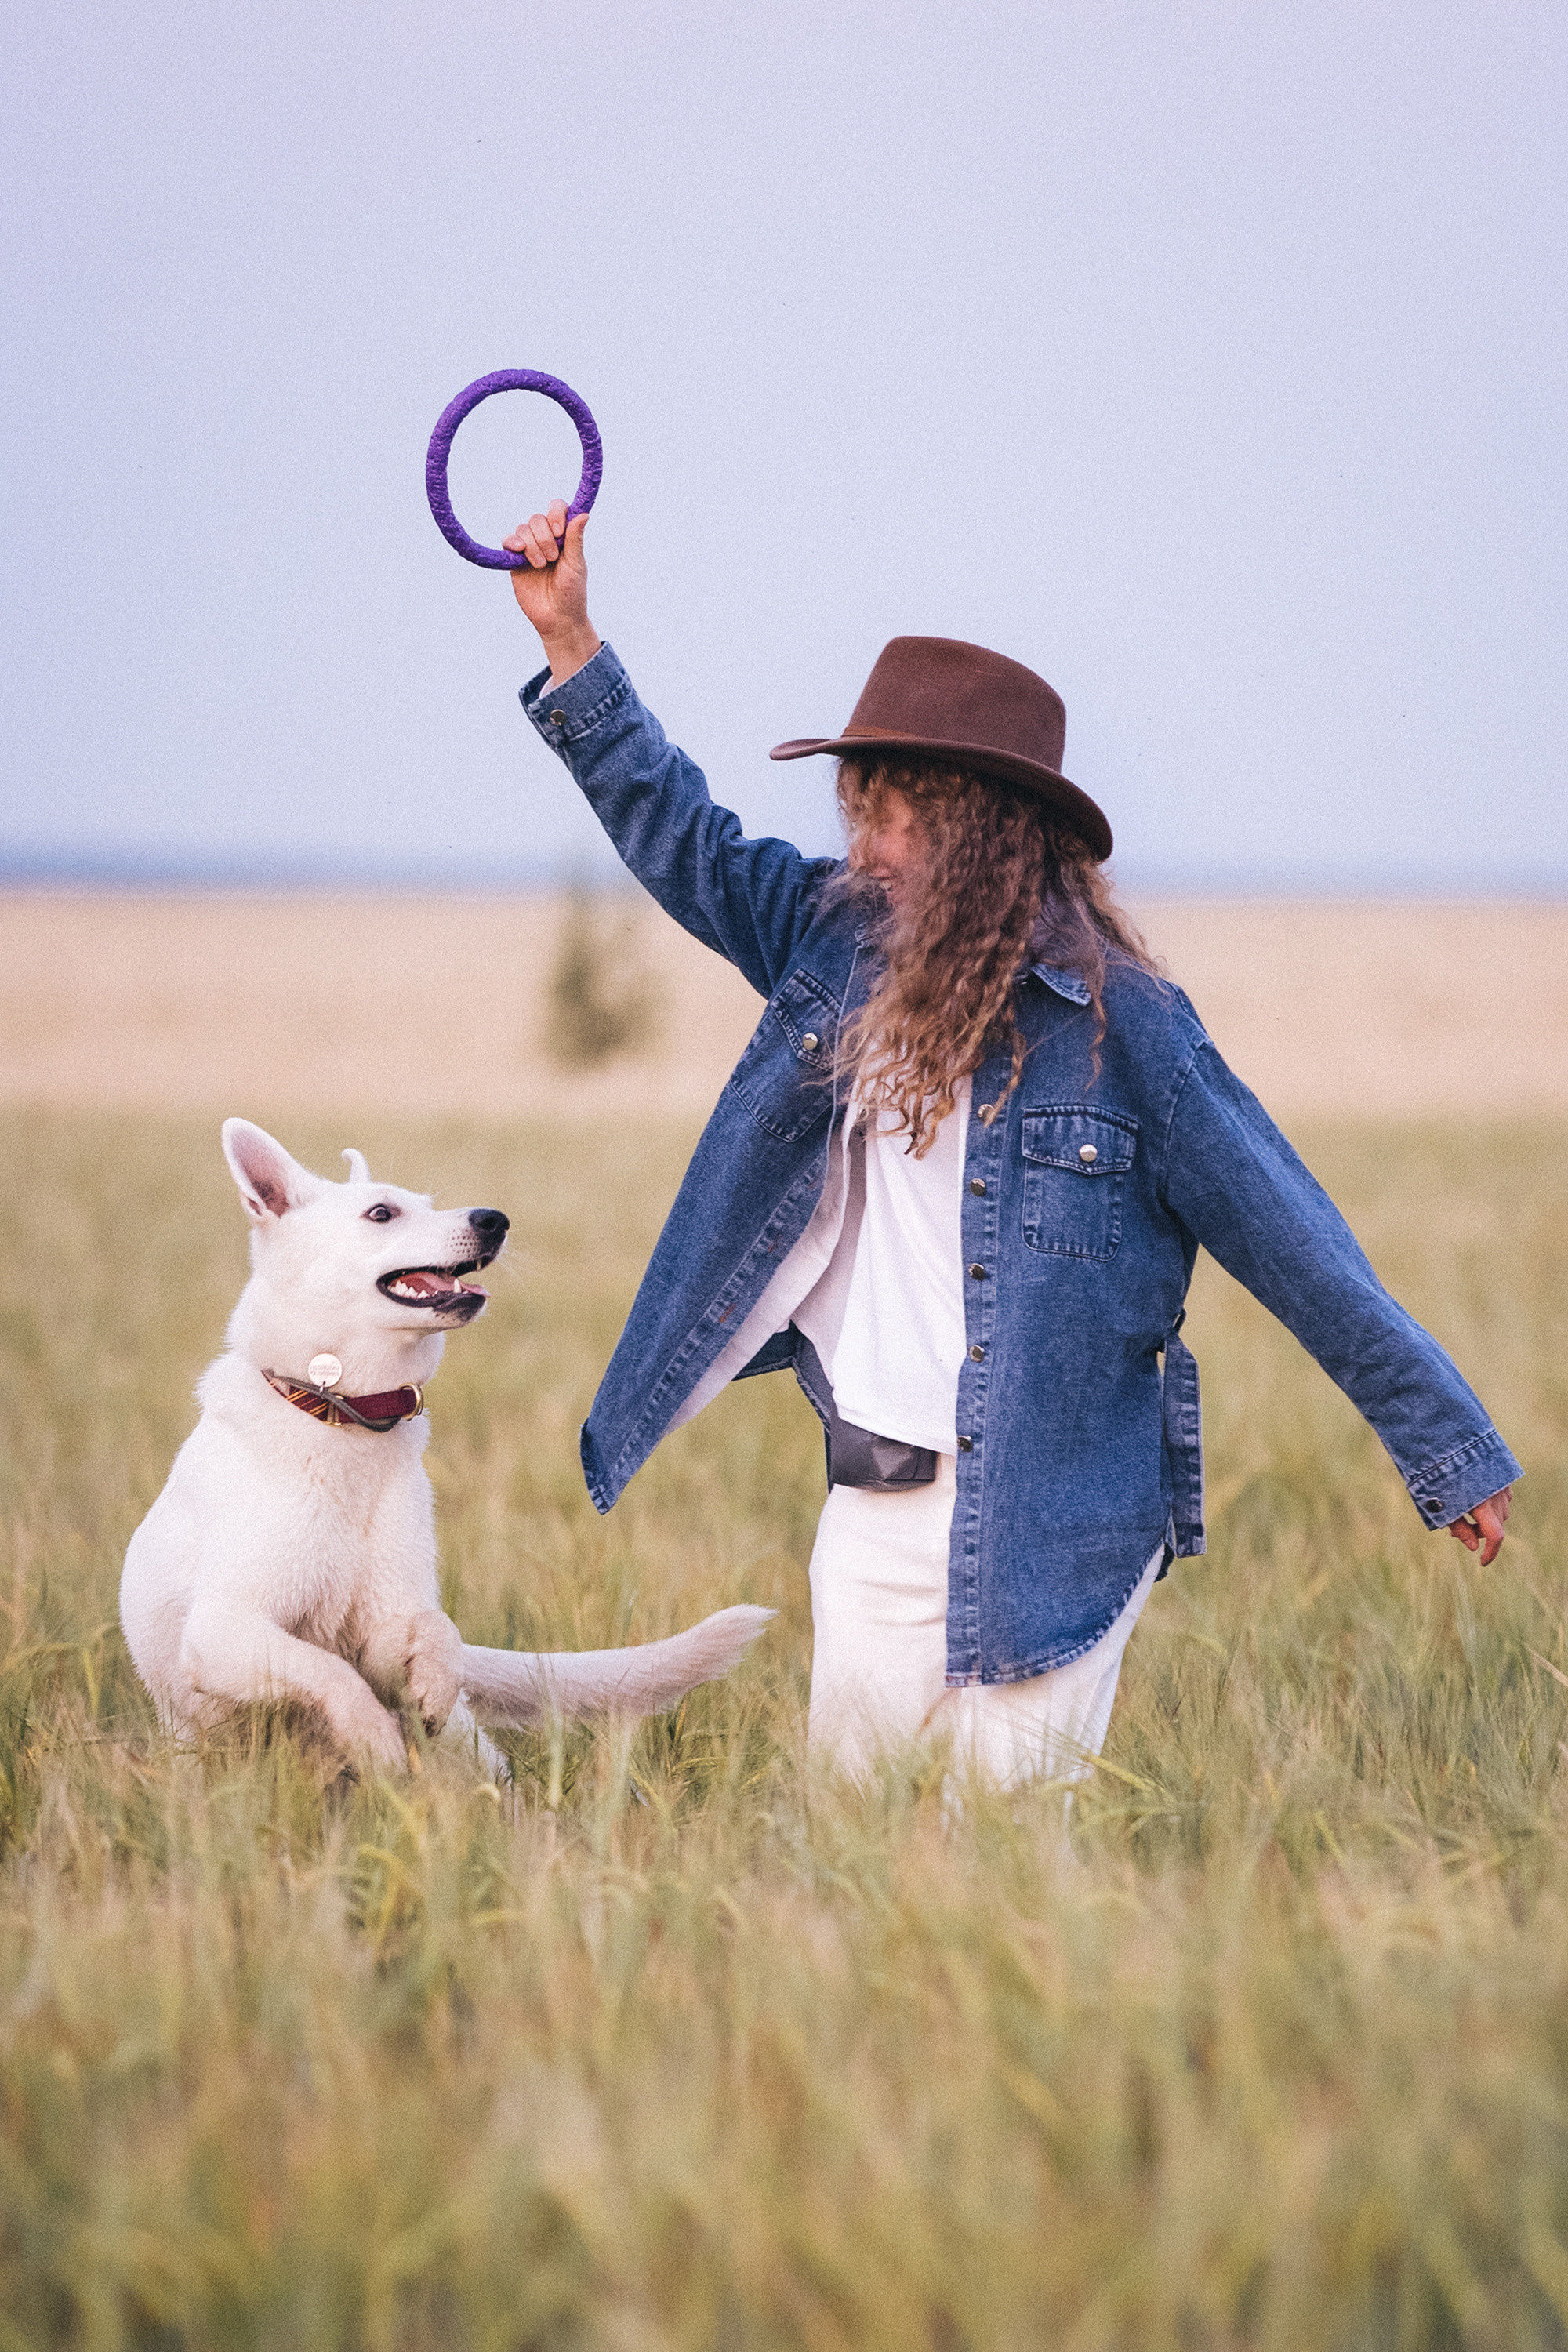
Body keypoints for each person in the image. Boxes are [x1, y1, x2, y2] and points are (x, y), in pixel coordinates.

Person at [499, 499, 1519, 1791]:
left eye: (890, 818)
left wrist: (1445, 1450)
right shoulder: (831, 939)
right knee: (852, 1887)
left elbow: (1294, 1240)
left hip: (1058, 1531)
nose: (859, 847)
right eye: (854, 809)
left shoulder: (1129, 1030)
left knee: (1003, 1867)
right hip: (871, 1519)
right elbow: (681, 836)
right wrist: (574, 639)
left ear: (980, 833)